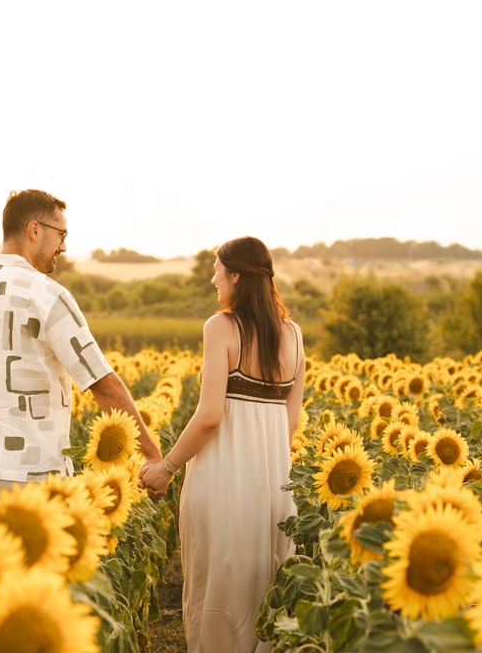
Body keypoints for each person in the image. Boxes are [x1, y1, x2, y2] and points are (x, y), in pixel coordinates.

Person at [0, 188, 163, 513]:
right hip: (31, 472)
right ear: (34, 229)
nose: (63, 246)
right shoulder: (48, 294)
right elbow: (103, 384)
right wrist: (152, 455)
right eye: (61, 234)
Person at [140, 236, 304, 653]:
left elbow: (210, 415)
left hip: (222, 482)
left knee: (217, 594)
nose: (213, 278)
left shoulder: (222, 327)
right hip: (273, 487)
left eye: (217, 269)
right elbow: (290, 424)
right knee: (263, 594)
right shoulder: (295, 337)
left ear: (235, 275)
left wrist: (167, 467)